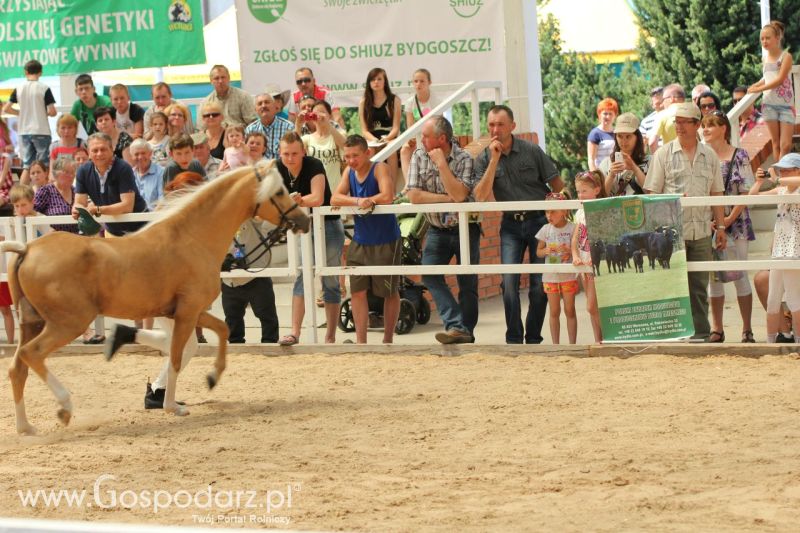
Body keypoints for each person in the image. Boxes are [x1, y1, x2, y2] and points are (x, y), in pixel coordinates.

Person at [474, 105, 564, 344]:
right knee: (509, 283)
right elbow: (480, 195)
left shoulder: (531, 150)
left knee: (538, 285)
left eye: (500, 124)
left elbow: (558, 184)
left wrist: (558, 213)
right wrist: (494, 160)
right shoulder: (484, 157)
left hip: (539, 222)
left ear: (512, 127)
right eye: (491, 125)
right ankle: (514, 338)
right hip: (510, 226)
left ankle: (533, 337)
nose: (495, 130)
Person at [644, 102, 727, 341]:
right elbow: (651, 193)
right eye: (676, 121)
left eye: (683, 122)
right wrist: (673, 199)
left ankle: (700, 333)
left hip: (701, 230)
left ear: (697, 125)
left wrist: (720, 227)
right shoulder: (663, 154)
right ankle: (674, 334)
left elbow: (717, 193)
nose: (678, 126)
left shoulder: (709, 155)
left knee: (699, 287)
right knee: (672, 285)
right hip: (671, 233)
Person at [407, 115, 479, 344]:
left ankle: (465, 332)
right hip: (437, 228)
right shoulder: (419, 155)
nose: (422, 140)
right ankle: (458, 326)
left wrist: (441, 165)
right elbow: (414, 196)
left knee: (467, 283)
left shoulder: (464, 158)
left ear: (442, 139)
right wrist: (445, 199)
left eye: (426, 136)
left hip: (466, 228)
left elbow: (460, 195)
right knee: (429, 274)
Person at [275, 132, 344, 345]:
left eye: (295, 153)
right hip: (302, 227)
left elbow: (318, 197)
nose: (290, 158)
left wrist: (297, 200)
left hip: (328, 226)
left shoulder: (314, 164)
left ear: (303, 152)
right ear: (280, 153)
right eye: (286, 154)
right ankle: (294, 332)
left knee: (330, 281)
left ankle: (330, 336)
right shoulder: (277, 167)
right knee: (301, 276)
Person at [331, 134, 401, 344]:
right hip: (360, 240)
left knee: (389, 292)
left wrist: (366, 201)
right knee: (358, 292)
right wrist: (360, 200)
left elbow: (387, 196)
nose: (351, 161)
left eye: (355, 156)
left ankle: (387, 339)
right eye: (348, 156)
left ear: (367, 153)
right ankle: (361, 342)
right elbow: (335, 197)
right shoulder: (348, 172)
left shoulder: (379, 168)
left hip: (385, 239)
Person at [701, 111, 755, 343]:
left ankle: (747, 329)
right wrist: (715, 222)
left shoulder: (739, 155)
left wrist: (728, 220)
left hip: (736, 223)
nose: (705, 129)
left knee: (740, 274)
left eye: (710, 125)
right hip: (711, 224)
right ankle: (717, 328)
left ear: (724, 128)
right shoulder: (702, 156)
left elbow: (746, 191)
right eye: (703, 125)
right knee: (714, 279)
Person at [749, 153, 800, 342]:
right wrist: (759, 181)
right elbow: (753, 197)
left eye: (788, 169)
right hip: (780, 249)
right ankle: (773, 341)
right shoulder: (781, 190)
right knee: (773, 299)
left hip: (795, 249)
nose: (784, 173)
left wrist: (777, 178)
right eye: (782, 169)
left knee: (795, 298)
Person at [72, 133, 149, 237]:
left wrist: (98, 210)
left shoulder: (123, 168)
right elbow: (79, 202)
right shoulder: (83, 171)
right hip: (112, 231)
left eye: (103, 149)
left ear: (112, 150)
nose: (99, 154)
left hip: (140, 230)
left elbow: (127, 207)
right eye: (95, 150)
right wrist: (77, 209)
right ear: (89, 154)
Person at [220, 216, 280, 344]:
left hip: (256, 276)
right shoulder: (217, 222)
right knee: (232, 319)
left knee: (267, 317)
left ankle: (270, 346)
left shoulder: (255, 219)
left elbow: (271, 220)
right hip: (229, 279)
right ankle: (235, 347)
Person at [2, 59, 57, 186]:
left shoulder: (19, 88)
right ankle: (45, 194)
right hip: (41, 130)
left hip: (24, 132)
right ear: (41, 72)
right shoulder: (44, 88)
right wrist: (44, 113)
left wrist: (20, 114)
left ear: (25, 72)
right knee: (44, 165)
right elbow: (53, 111)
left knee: (27, 165)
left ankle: (22, 194)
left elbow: (6, 108)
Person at [748, 20, 794, 162]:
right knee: (776, 144)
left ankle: (782, 173)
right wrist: (754, 86)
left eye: (768, 38)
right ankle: (779, 178)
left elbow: (779, 79)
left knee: (785, 145)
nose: (764, 41)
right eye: (762, 38)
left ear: (777, 38)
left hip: (786, 105)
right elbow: (767, 78)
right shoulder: (765, 59)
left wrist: (759, 89)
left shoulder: (786, 57)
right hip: (768, 104)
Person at [535, 193, 577, 344]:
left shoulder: (573, 228)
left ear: (564, 211)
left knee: (570, 310)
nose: (549, 215)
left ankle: (572, 344)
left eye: (553, 211)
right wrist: (545, 251)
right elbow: (538, 252)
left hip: (568, 276)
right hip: (550, 277)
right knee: (554, 311)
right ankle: (555, 345)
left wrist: (570, 251)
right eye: (547, 212)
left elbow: (578, 250)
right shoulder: (545, 229)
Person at [571, 171, 605, 343]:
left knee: (592, 306)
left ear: (596, 190)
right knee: (593, 307)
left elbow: (603, 238)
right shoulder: (579, 213)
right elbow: (575, 238)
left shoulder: (600, 211)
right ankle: (598, 340)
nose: (580, 195)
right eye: (578, 191)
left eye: (584, 191)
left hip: (595, 263)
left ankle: (605, 339)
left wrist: (596, 256)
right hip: (584, 262)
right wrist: (575, 255)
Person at [358, 68, 402, 182]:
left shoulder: (394, 100)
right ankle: (372, 186)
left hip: (389, 137)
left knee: (390, 150)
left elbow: (396, 128)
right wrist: (375, 141)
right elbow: (364, 130)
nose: (376, 82)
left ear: (385, 81)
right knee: (370, 150)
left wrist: (386, 139)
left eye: (379, 79)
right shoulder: (363, 102)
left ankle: (392, 191)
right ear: (369, 82)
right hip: (371, 138)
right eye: (373, 79)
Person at [302, 99, 346, 194]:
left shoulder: (339, 134)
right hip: (315, 191)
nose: (318, 116)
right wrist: (298, 124)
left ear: (330, 115)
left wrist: (327, 124)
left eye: (322, 113)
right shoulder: (307, 139)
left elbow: (346, 146)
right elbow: (293, 147)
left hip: (336, 191)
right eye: (315, 114)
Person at [599, 113, 649, 196]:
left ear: (637, 137)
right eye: (620, 136)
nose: (623, 141)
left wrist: (635, 169)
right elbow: (600, 197)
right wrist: (611, 175)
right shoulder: (606, 163)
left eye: (628, 136)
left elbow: (651, 192)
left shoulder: (649, 161)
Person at [34, 158, 78, 233]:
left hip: (75, 238)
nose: (71, 175)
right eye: (67, 172)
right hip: (52, 238)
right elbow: (33, 213)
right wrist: (46, 228)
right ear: (56, 173)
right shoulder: (45, 191)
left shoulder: (76, 192)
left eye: (73, 172)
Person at [245, 93, 294, 160]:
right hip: (258, 168)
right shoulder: (250, 129)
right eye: (260, 104)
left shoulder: (288, 127)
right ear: (255, 110)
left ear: (275, 107)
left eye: (267, 102)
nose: (263, 106)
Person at [648, 83, 686, 153]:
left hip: (672, 160)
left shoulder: (662, 115)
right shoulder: (694, 112)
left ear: (672, 98)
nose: (662, 104)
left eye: (663, 99)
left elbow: (652, 143)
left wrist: (657, 161)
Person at [129, 139, 165, 210]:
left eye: (143, 153)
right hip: (133, 218)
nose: (140, 157)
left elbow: (162, 201)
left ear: (150, 154)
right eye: (136, 154)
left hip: (154, 217)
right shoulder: (129, 174)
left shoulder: (161, 172)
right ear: (131, 157)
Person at [587, 98, 619, 171]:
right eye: (605, 113)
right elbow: (591, 160)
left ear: (615, 116)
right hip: (601, 174)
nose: (607, 117)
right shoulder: (595, 134)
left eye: (610, 114)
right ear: (599, 114)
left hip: (616, 175)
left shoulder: (617, 133)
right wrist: (596, 178)